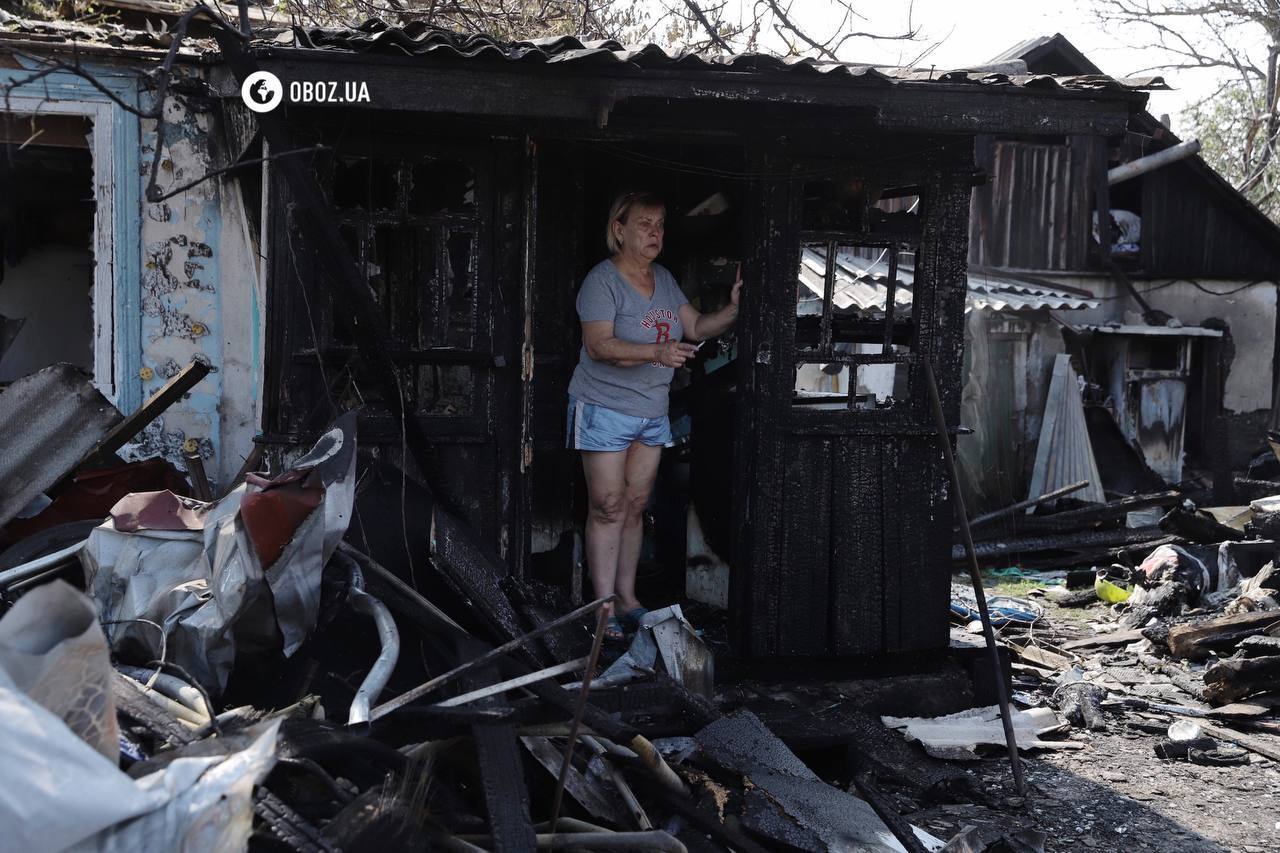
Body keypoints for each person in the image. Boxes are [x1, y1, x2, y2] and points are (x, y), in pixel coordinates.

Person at [567, 190, 741, 640]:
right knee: (606, 506)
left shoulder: (662, 279)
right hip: (604, 407)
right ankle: (601, 605)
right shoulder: (601, 282)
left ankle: (627, 600)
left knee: (635, 506)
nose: (654, 233)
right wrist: (658, 351)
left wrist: (734, 309)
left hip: (650, 411)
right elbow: (599, 345)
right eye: (644, 224)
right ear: (619, 229)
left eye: (660, 224)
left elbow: (698, 327)